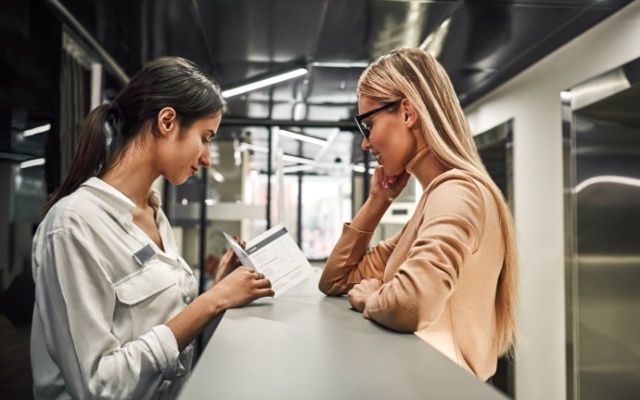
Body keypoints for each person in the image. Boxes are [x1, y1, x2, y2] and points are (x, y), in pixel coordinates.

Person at [30, 57, 274, 400]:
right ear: (167, 121)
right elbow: (96, 387)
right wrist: (211, 302)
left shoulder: (153, 213)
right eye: (204, 138)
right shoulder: (73, 225)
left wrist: (218, 293)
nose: (206, 158)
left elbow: (165, 331)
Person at [318, 48, 519, 382]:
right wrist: (378, 201)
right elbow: (337, 280)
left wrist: (372, 298)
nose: (366, 145)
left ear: (408, 113)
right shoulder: (435, 200)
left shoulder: (458, 192)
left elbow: (414, 303)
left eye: (369, 125)